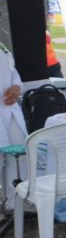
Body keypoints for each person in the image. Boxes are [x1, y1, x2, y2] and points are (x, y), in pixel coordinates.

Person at [0, 43, 27, 212]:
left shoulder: (2, 46)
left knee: (19, 158)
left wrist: (17, 87)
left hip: (9, 111)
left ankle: (15, 203)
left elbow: (13, 73)